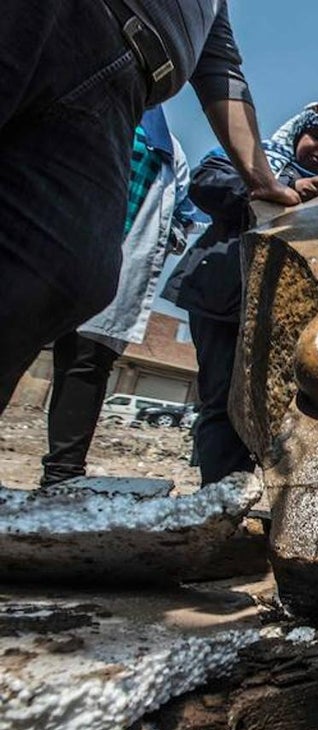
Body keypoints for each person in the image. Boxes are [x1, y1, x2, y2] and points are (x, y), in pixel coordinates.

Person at [0, 1, 299, 417]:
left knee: (69, 273)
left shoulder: (212, 8)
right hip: (62, 16)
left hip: (123, 86)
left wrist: (262, 180)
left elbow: (221, 72)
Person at [163, 102, 318, 485]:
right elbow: (206, 184)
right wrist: (279, 190)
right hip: (222, 298)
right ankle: (220, 495)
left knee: (271, 407)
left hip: (281, 315)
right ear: (297, 133)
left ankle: (255, 492)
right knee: (221, 399)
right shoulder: (253, 160)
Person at [40, 107, 197, 487]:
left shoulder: (167, 149)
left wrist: (171, 233)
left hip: (117, 260)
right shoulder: (77, 102)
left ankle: (61, 478)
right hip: (50, 241)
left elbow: (182, 213)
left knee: (86, 364)